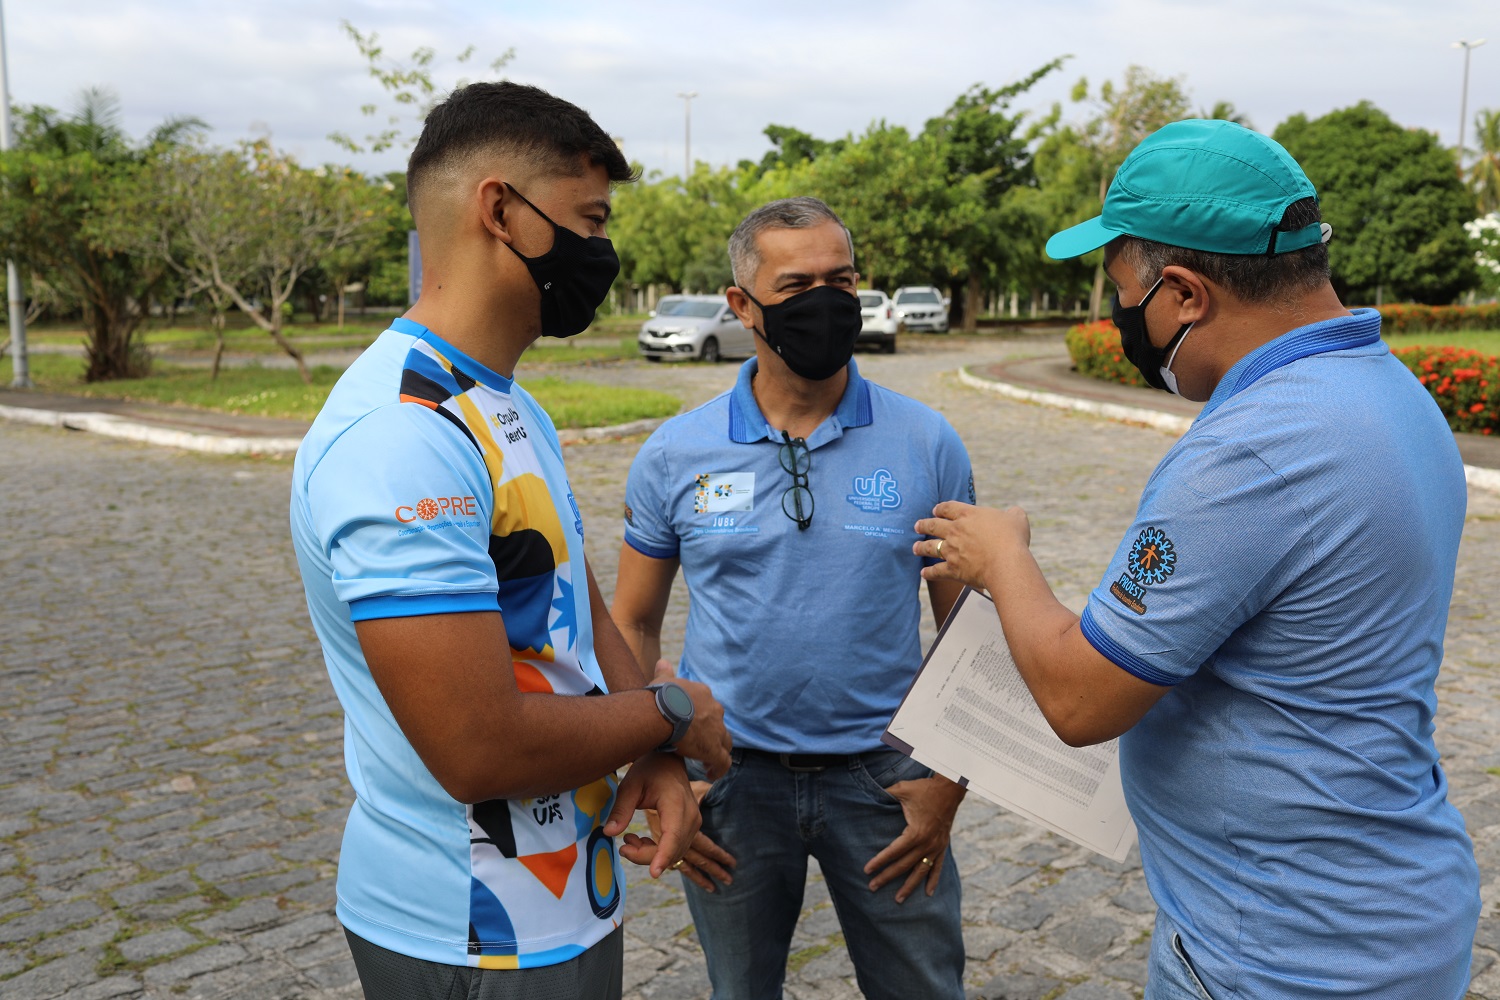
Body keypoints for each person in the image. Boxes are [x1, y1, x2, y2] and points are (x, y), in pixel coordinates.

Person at [916, 119, 1481, 999]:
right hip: (1385, 907)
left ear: (1182, 293)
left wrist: (1002, 558)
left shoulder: (1256, 449)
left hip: (1280, 951)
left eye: (1121, 292)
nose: (1118, 317)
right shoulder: (1387, 389)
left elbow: (1080, 697)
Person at [289, 81, 731, 1000]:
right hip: (468, 932)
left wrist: (650, 745)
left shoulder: (505, 399)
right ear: (501, 211)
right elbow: (477, 748)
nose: (603, 249)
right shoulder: (403, 437)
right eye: (591, 218)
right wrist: (675, 713)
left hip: (571, 904)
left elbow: (576, 611)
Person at [610, 196, 973, 1000]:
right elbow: (632, 622)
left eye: (840, 280)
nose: (825, 302)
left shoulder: (927, 441)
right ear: (742, 306)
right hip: (732, 783)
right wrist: (657, 761)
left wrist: (951, 776)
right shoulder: (675, 453)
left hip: (888, 779)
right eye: (797, 283)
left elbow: (965, 625)